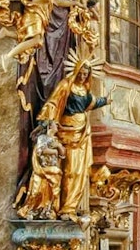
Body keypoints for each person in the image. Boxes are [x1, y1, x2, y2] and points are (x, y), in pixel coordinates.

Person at [38, 57, 109, 219]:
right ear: (76, 71)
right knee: (68, 171)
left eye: (86, 74)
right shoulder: (66, 85)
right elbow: (54, 103)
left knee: (78, 171)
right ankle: (60, 207)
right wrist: (48, 120)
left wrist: (106, 100)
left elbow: (92, 102)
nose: (83, 77)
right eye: (81, 73)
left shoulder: (85, 89)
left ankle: (70, 207)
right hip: (66, 132)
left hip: (82, 133)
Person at [15, 121, 65, 219]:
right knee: (38, 192)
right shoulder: (43, 138)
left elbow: (63, 154)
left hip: (53, 170)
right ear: (49, 127)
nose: (57, 126)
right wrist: (54, 151)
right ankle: (34, 210)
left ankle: (48, 210)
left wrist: (59, 146)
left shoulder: (55, 140)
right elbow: (40, 151)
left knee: (52, 192)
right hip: (43, 170)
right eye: (55, 125)